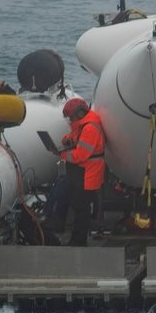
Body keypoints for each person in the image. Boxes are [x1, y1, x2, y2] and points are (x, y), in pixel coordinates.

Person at [59, 98, 106, 246]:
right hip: (82, 173)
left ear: (79, 114)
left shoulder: (90, 128)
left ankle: (79, 241)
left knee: (81, 209)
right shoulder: (83, 125)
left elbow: (80, 155)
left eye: (72, 117)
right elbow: (74, 136)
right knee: (78, 205)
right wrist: (66, 140)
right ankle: (77, 239)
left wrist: (62, 154)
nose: (70, 120)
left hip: (88, 174)